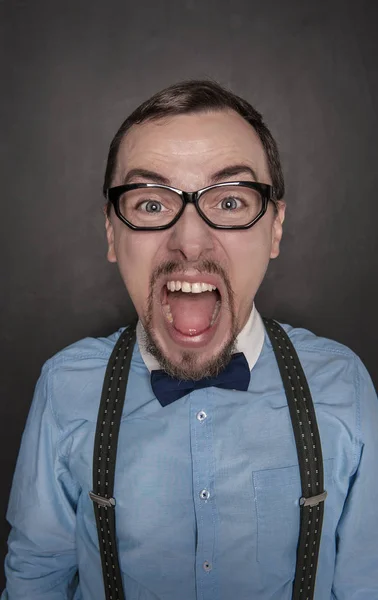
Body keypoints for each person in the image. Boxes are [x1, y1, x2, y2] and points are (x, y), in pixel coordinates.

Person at [2, 80, 377, 600]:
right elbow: (34, 582)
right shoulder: (65, 387)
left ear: (275, 228)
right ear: (112, 232)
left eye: (229, 201)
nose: (191, 242)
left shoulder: (344, 387)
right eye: (151, 205)